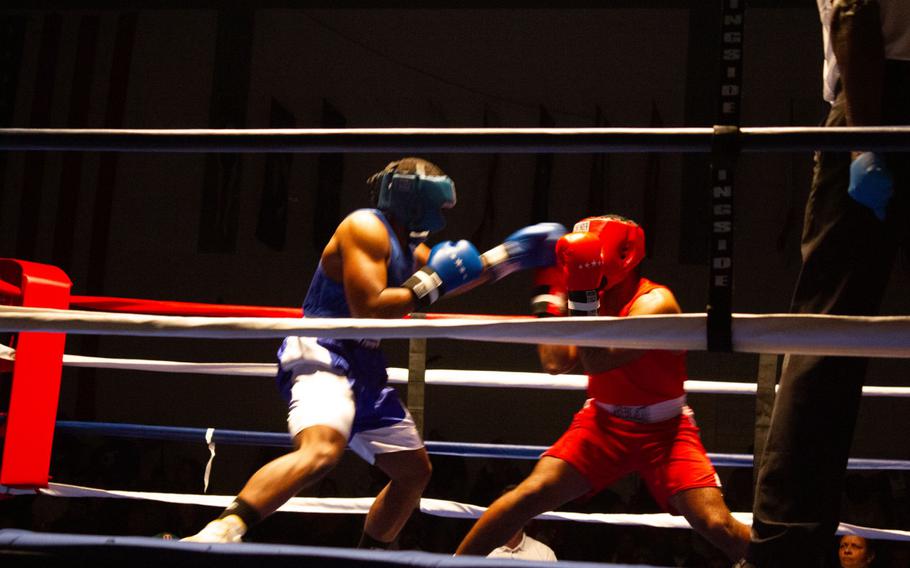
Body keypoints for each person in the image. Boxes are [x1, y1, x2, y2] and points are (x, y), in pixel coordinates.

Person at [182, 157, 566, 546]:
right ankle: (219, 532)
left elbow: (459, 271)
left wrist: (512, 254)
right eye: (439, 203)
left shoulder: (407, 244)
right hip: (324, 348)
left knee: (413, 472)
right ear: (414, 196)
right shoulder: (363, 227)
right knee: (322, 452)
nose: (442, 214)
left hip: (365, 363)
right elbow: (370, 306)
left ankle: (370, 556)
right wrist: (434, 280)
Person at [455, 215, 750, 562]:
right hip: (602, 423)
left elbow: (596, 361)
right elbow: (555, 362)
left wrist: (578, 291)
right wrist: (549, 287)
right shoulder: (589, 293)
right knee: (527, 496)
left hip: (665, 431)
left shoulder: (655, 303)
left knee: (717, 525)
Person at [746, 2, 910, 566]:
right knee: (826, 338)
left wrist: (862, 141)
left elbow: (852, 12)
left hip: (878, 90)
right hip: (876, 88)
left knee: (826, 336)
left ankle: (784, 548)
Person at [486, 485, 557, 562]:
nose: (512, 514)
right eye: (507, 508)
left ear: (528, 518)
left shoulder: (545, 554)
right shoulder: (483, 553)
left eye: (518, 508)